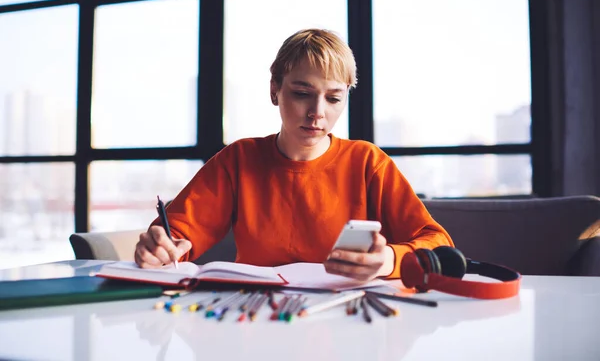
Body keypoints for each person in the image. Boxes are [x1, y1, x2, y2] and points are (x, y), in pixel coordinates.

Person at [134, 28, 454, 281]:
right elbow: (176, 234)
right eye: (302, 94)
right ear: (274, 90)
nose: (317, 113)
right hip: (252, 320)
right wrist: (159, 247)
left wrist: (388, 261)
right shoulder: (239, 160)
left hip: (346, 324)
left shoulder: (368, 163)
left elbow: (437, 242)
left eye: (333, 99)